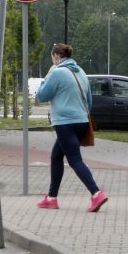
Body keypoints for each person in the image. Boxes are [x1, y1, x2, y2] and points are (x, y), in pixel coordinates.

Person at [35, 43, 108, 213]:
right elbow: (89, 100)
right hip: (82, 121)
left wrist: (47, 76)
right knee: (56, 156)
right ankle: (51, 198)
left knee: (75, 160)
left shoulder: (58, 72)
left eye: (52, 58)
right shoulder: (80, 72)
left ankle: (96, 193)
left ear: (56, 57)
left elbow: (42, 95)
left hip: (65, 123)